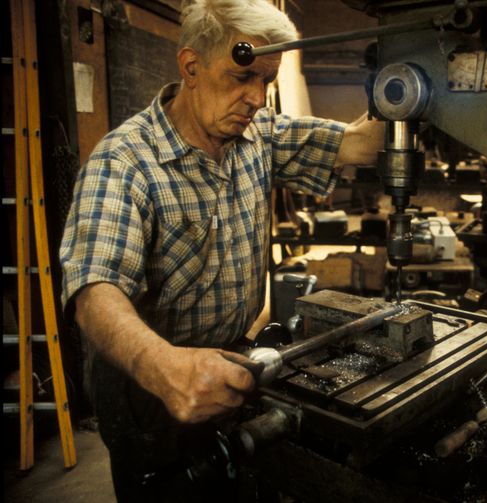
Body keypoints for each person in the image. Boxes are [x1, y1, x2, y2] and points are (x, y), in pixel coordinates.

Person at [58, 0, 384, 500]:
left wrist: (405, 84)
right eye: (242, 77)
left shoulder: (257, 137)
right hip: (146, 378)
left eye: (267, 82)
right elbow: (93, 292)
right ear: (191, 67)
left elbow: (361, 144)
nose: (257, 98)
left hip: (230, 353)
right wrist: (166, 369)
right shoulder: (125, 163)